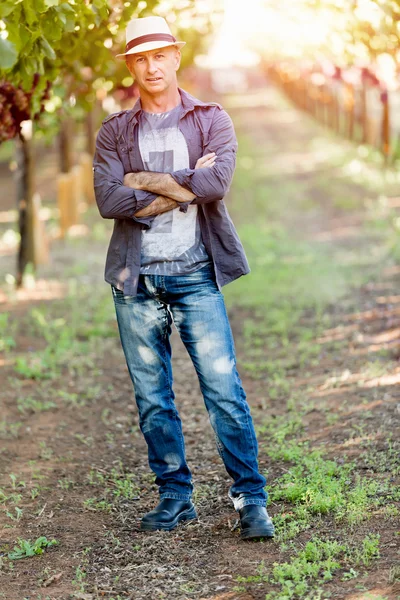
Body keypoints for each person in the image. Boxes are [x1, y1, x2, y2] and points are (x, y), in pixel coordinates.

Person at [93, 15, 274, 540]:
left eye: (159, 55)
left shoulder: (211, 118)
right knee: (152, 397)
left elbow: (216, 183)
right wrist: (184, 183)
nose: (151, 66)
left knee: (223, 390)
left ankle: (250, 498)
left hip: (196, 274)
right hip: (136, 280)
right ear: (132, 65)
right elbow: (109, 199)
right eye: (140, 58)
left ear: (174, 56)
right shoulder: (114, 130)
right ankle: (175, 495)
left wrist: (141, 184)